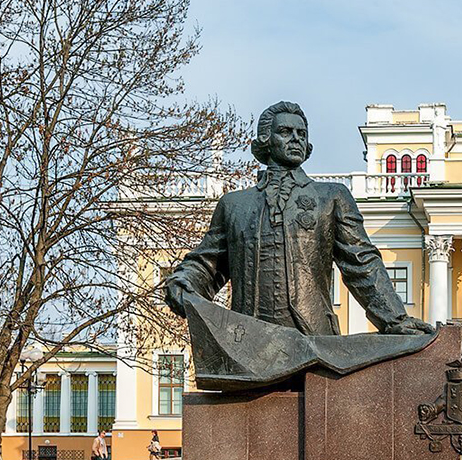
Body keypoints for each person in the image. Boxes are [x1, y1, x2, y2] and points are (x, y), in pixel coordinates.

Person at [163, 101, 433, 338]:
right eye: (285, 132)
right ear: (265, 141)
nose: (295, 139)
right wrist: (184, 283)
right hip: (248, 340)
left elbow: (361, 262)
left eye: (301, 134)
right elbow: (208, 264)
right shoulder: (235, 205)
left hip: (313, 336)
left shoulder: (331, 197)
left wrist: (395, 319)